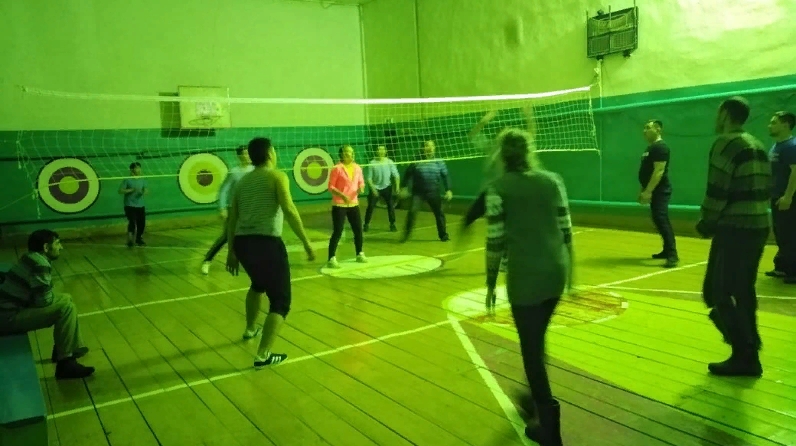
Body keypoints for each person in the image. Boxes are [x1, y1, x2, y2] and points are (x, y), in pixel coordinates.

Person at [482, 127, 573, 446]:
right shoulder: (553, 181)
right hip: (555, 273)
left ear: (502, 155)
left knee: (531, 352)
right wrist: (571, 272)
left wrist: (490, 283)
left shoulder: (497, 189)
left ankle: (549, 427)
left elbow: (495, 242)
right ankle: (532, 399)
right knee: (538, 337)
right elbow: (566, 229)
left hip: (525, 278)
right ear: (529, 152)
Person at [225, 137, 315, 369]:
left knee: (258, 284)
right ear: (269, 154)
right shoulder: (277, 176)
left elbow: (232, 219)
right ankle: (263, 355)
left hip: (243, 244)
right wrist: (306, 242)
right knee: (281, 302)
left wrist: (231, 251)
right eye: (274, 150)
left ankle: (250, 329)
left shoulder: (242, 182)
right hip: (266, 243)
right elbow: (289, 209)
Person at [697, 96, 770, 377]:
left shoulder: (726, 144)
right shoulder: (758, 145)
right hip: (758, 225)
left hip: (735, 227)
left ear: (726, 114)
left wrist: (707, 222)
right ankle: (749, 345)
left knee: (718, 292)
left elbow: (717, 189)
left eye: (718, 113)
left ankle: (745, 353)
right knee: (743, 289)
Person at [0, 230, 94, 379]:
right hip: (7, 318)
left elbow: (39, 296)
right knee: (66, 308)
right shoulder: (40, 264)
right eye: (57, 243)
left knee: (67, 297)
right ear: (45, 247)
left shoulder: (29, 257)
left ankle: (64, 348)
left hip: (7, 310)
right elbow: (43, 301)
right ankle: (65, 364)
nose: (61, 247)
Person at [201, 146, 254, 275]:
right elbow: (224, 190)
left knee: (252, 236)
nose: (247, 156)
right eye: (245, 154)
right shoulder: (234, 172)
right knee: (226, 236)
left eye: (249, 153)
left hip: (250, 209)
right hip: (234, 209)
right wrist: (222, 207)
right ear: (239, 156)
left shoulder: (256, 170)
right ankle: (207, 260)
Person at [637, 120, 678, 267]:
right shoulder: (651, 148)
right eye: (644, 128)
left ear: (658, 129)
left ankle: (672, 255)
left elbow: (659, 171)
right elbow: (646, 171)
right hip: (653, 190)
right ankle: (667, 250)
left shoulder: (661, 147)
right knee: (657, 219)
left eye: (648, 128)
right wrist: (644, 189)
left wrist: (649, 191)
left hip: (660, 190)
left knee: (661, 219)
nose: (644, 131)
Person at [400, 140, 453, 242]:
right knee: (412, 212)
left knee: (439, 213)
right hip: (418, 193)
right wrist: (404, 187)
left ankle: (443, 235)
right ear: (422, 148)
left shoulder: (439, 161)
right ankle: (406, 235)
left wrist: (448, 190)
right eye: (427, 146)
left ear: (434, 148)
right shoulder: (416, 161)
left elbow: (445, 176)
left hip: (433, 192)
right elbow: (407, 175)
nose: (430, 148)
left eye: (432, 146)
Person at [765, 111, 796, 283]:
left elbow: (795, 172)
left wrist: (788, 196)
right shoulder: (777, 146)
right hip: (777, 198)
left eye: (774, 122)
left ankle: (794, 272)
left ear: (785, 125)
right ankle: (783, 268)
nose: (769, 125)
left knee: (791, 234)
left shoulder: (792, 146)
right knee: (781, 233)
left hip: (788, 199)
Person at [326, 145, 367, 268]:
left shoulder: (357, 168)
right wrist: (342, 195)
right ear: (342, 154)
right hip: (339, 204)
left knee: (358, 229)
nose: (351, 154)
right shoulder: (337, 168)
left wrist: (361, 188)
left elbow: (361, 182)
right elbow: (330, 186)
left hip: (353, 203)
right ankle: (331, 258)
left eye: (352, 152)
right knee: (338, 231)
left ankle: (359, 253)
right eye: (349, 152)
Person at [363, 144, 399, 233]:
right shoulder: (372, 163)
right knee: (370, 206)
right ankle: (366, 224)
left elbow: (396, 175)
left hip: (387, 187)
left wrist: (397, 187)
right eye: (379, 149)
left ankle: (392, 224)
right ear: (376, 151)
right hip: (375, 187)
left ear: (386, 151)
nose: (381, 151)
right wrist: (373, 189)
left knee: (390, 206)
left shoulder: (390, 162)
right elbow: (369, 178)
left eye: (383, 149)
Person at [119, 162, 148, 247]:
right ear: (132, 169)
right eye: (137, 168)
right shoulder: (127, 180)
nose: (138, 170)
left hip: (140, 205)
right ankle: (130, 240)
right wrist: (130, 190)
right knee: (132, 222)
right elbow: (120, 191)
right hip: (129, 205)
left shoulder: (143, 179)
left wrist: (144, 192)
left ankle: (139, 239)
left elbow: (146, 190)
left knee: (141, 223)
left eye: (139, 168)